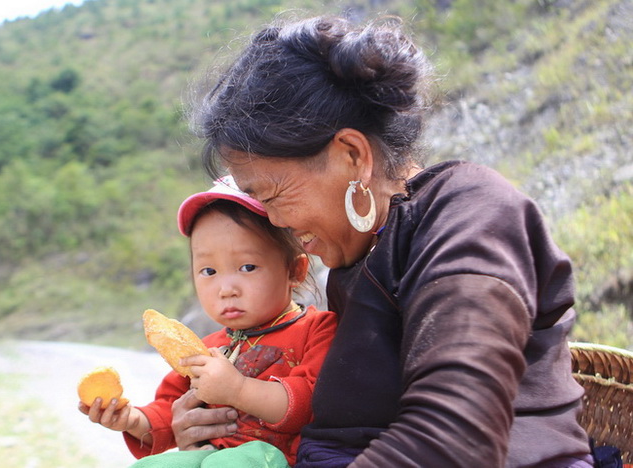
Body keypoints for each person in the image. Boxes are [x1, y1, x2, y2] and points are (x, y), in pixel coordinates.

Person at [172, 14, 595, 468]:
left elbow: (451, 440)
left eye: (273, 195)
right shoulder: (358, 256)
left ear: (352, 156)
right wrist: (216, 432)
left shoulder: (471, 216)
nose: (275, 221)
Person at [79, 176, 338, 468]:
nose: (226, 288)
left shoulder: (317, 329)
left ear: (295, 270)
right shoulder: (207, 348)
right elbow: (170, 409)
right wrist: (132, 420)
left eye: (247, 267)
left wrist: (237, 389)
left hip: (271, 458)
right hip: (209, 455)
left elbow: (312, 404)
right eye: (208, 271)